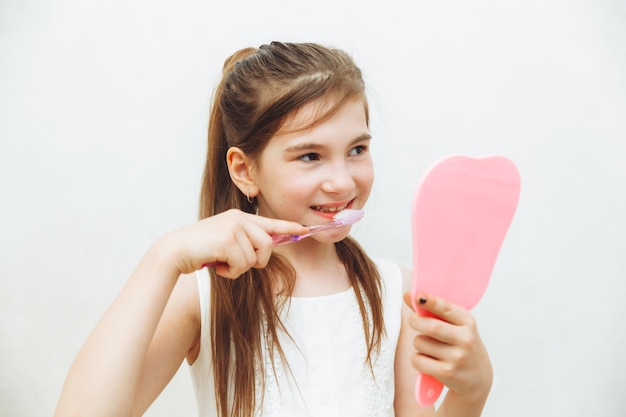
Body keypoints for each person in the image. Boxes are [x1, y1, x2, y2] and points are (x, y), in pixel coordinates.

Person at [54, 41, 493, 417]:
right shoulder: (204, 295)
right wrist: (163, 257)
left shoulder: (398, 294)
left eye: (357, 149)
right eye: (310, 156)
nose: (342, 181)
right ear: (245, 171)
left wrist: (470, 391)